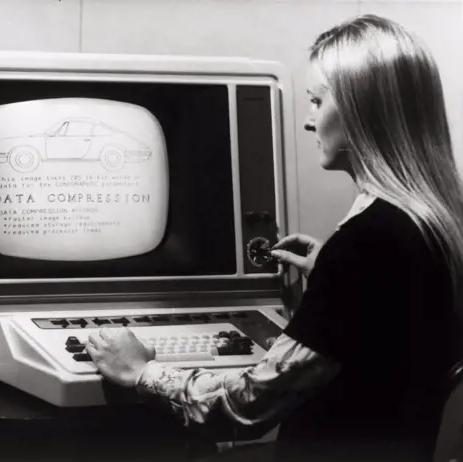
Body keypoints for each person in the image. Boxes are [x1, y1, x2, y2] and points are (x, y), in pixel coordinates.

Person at [84, 14, 463, 462]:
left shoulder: (368, 243)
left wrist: (142, 371)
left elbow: (245, 406)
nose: (308, 122)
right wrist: (331, 277)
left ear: (364, 111)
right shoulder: (433, 222)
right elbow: (384, 334)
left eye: (317, 101)